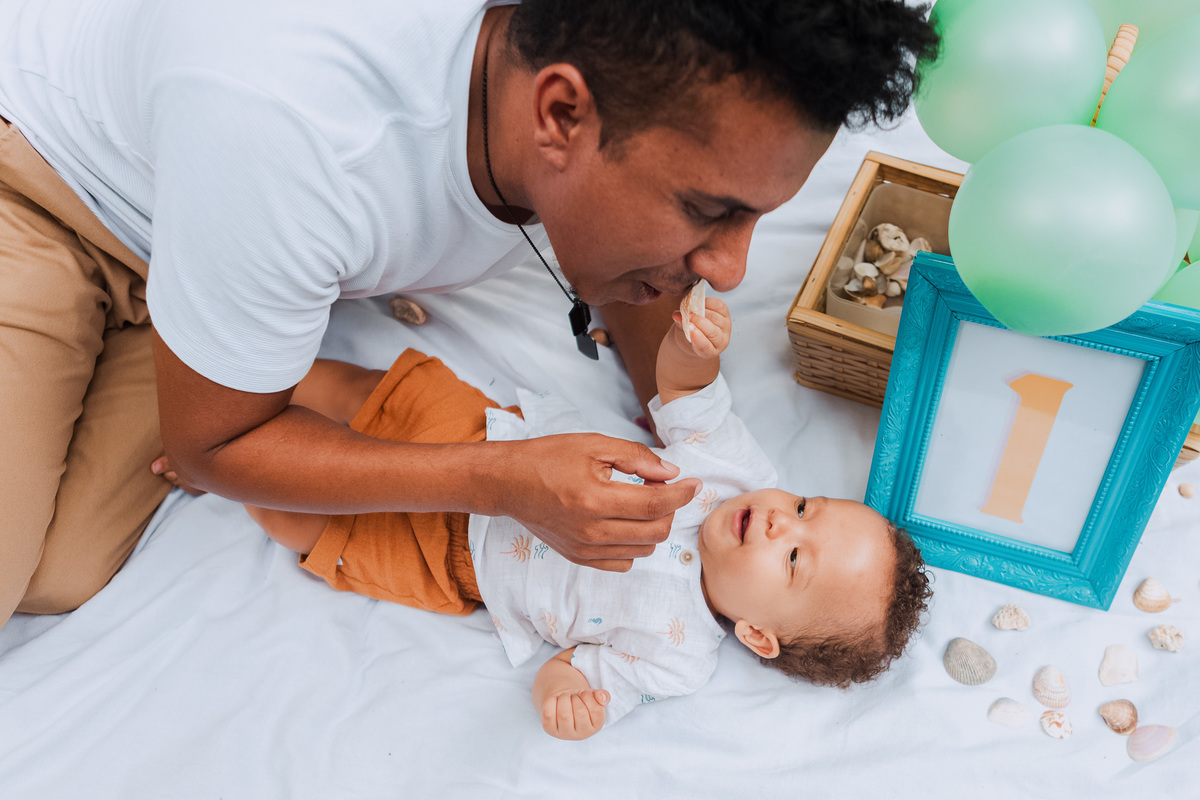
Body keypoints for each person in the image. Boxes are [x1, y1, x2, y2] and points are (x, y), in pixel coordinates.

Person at [0, 0, 939, 625]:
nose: (730, 271)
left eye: (754, 217)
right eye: (706, 211)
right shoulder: (294, 134)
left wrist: (679, 405)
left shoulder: (596, 64)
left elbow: (660, 323)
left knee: (70, 565)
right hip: (48, 197)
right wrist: (502, 479)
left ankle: (214, 328)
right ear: (561, 115)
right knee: (36, 571)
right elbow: (213, 451)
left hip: (211, 224)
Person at [247, 298, 933, 739]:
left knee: (302, 524)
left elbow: (576, 670)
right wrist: (696, 347)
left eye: (793, 561)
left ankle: (228, 463)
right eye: (808, 507)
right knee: (366, 393)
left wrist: (564, 701)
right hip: (487, 443)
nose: (785, 521)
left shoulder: (678, 657)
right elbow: (687, 391)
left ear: (757, 633)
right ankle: (239, 393)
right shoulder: (734, 473)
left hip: (453, 563)